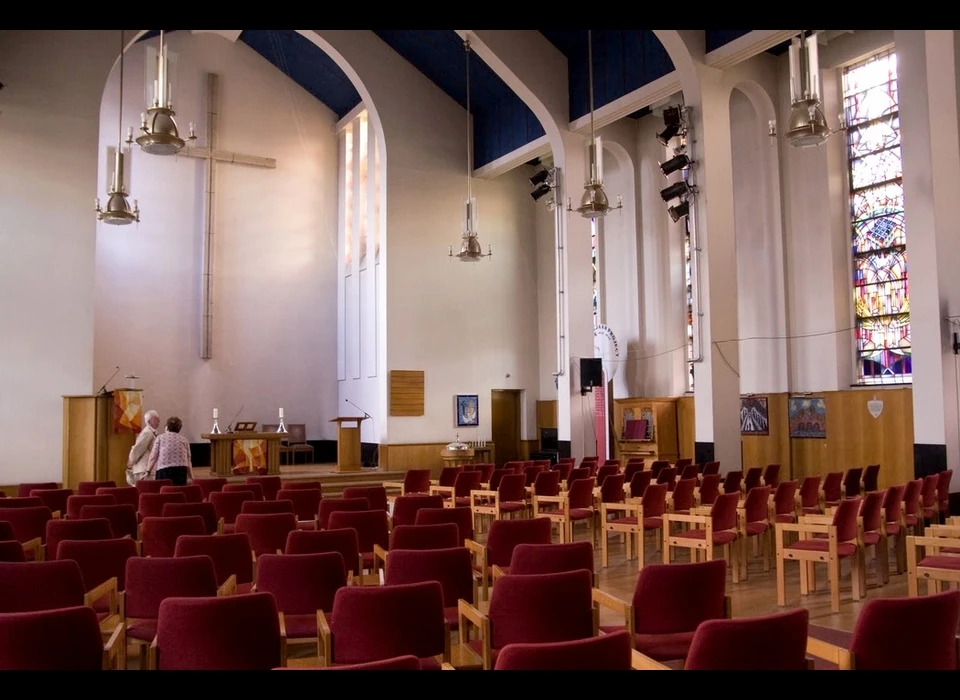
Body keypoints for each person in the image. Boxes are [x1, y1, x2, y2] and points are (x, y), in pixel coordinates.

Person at [147, 416, 194, 486]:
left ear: (167, 427)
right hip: (181, 470)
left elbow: (153, 456)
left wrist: (148, 471)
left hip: (164, 470)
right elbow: (188, 459)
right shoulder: (184, 440)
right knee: (178, 491)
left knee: (164, 491)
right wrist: (190, 475)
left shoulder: (160, 438)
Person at [126, 410, 160, 486]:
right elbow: (137, 449)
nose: (159, 420)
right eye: (156, 418)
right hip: (143, 469)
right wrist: (130, 462)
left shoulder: (151, 432)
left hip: (147, 469)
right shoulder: (147, 432)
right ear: (149, 420)